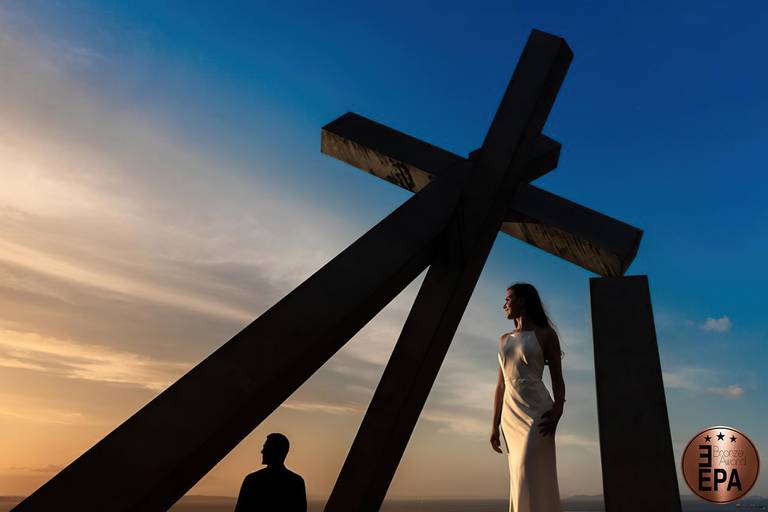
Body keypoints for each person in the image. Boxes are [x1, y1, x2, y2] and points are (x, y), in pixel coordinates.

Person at [490, 283, 565, 512]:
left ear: (522, 301)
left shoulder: (546, 335)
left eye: (508, 299)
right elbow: (501, 386)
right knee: (518, 475)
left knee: (528, 471)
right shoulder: (503, 340)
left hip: (538, 413)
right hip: (511, 417)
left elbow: (557, 378)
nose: (504, 305)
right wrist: (494, 426)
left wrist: (558, 410)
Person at [234, 433, 307, 512]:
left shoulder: (252, 480)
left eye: (266, 448)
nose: (262, 451)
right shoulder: (296, 481)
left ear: (276, 451)